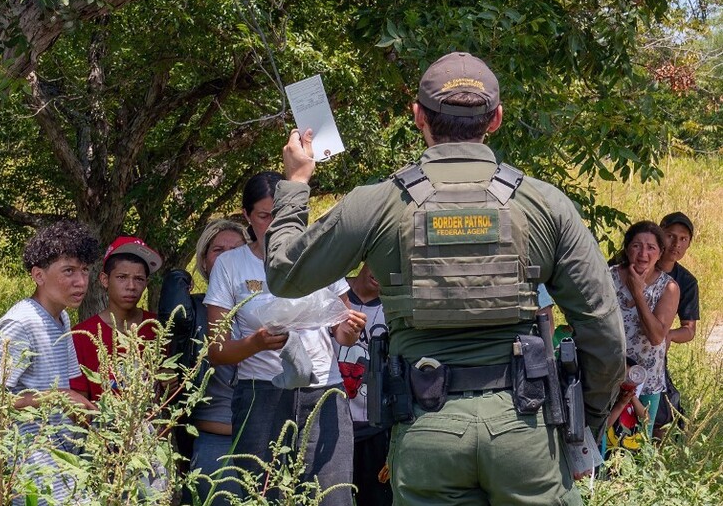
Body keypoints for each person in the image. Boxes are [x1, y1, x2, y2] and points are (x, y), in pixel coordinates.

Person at [265, 52, 626, 505]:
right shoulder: (544, 204)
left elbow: (284, 273)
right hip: (527, 429)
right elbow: (605, 335)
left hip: (424, 427)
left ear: (418, 117)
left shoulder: (379, 203)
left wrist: (296, 182)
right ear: (495, 119)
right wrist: (582, 421)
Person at [204, 171, 367, 506]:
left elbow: (343, 332)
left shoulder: (318, 256)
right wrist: (257, 343)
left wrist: (350, 329)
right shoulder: (230, 266)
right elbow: (217, 351)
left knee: (332, 497)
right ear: (248, 217)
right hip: (260, 393)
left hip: (324, 390)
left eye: (282, 216)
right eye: (265, 217)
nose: (274, 225)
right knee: (260, 495)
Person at [0, 219, 100, 505]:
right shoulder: (21, 322)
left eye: (85, 270)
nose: (80, 281)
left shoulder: (61, 317)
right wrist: (54, 397)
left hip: (62, 463)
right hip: (34, 472)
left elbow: (67, 394)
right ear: (38, 275)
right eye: (68, 271)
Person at [158, 219, 248, 505]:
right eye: (218, 250)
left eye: (236, 248)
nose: (228, 256)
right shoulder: (189, 310)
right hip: (213, 442)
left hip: (266, 438)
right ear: (204, 262)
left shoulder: (268, 303)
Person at [70, 236, 163, 401]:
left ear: (146, 283)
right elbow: (78, 405)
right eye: (122, 277)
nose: (131, 286)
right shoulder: (81, 336)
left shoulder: (160, 329)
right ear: (105, 280)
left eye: (139, 279)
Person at [610, 220, 680, 438]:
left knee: (638, 445)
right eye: (637, 245)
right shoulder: (608, 277)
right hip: (608, 373)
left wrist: (638, 293)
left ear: (660, 253)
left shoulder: (668, 287)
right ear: (627, 248)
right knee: (603, 441)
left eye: (651, 247)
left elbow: (656, 336)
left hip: (646, 379)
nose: (643, 253)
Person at [335, 264, 392, 506]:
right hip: (332, 423)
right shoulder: (333, 292)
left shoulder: (396, 307)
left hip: (377, 428)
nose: (381, 273)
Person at [654, 211, 699, 433]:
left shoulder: (686, 282)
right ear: (659, 234)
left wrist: (669, 335)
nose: (676, 244)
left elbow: (689, 330)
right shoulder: (636, 261)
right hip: (618, 345)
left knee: (664, 416)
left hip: (654, 350)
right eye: (671, 236)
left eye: (683, 239)